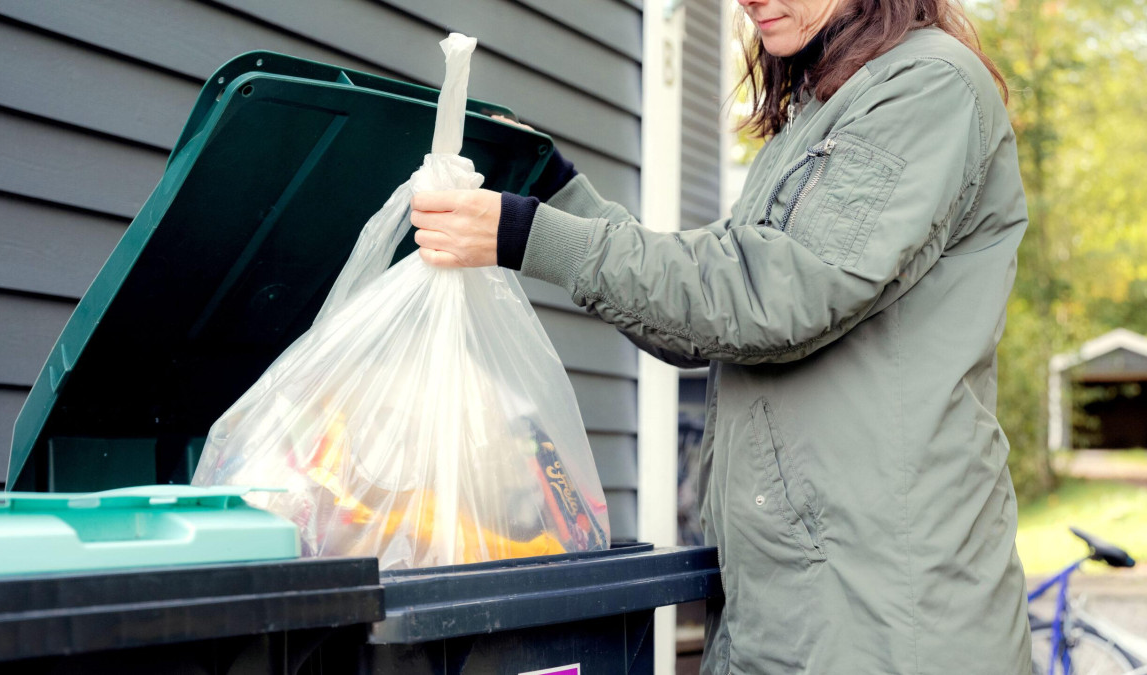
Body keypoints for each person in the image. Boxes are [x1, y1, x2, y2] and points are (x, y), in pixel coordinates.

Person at [410, 0, 1033, 671]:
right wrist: (557, 191)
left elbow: (771, 295)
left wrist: (530, 234)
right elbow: (706, 320)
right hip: (790, 610)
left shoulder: (927, 86)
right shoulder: (817, 117)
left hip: (889, 620)